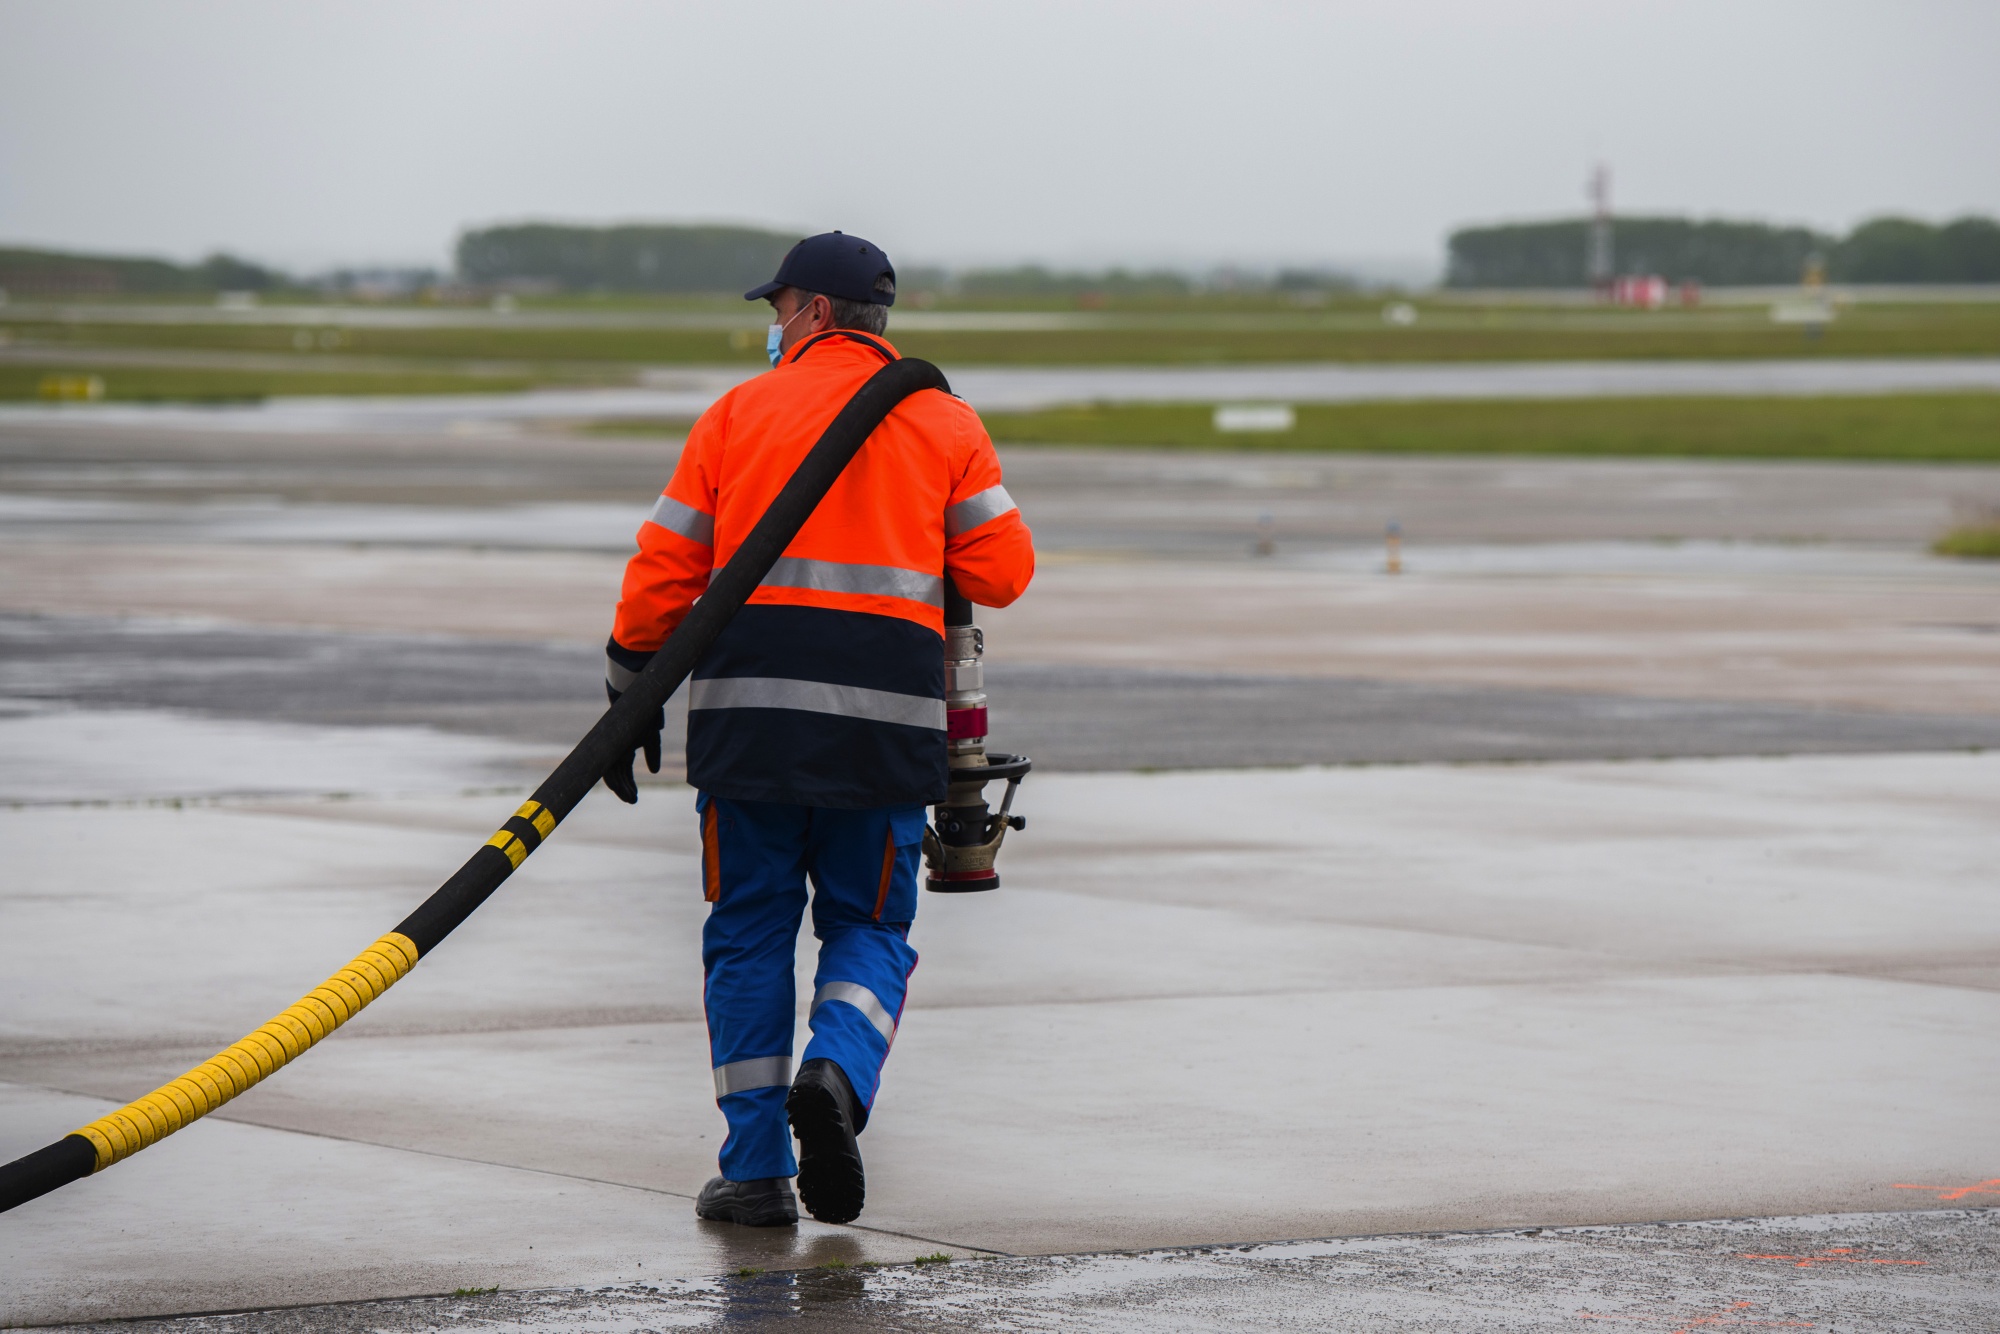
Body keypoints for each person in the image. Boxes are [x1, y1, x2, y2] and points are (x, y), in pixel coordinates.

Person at [601, 232, 1035, 1227]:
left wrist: (628, 685)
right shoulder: (941, 420)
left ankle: (753, 1169)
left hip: (747, 730)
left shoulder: (735, 414)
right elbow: (1004, 573)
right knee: (870, 925)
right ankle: (834, 1076)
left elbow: (663, 573)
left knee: (746, 931)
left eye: (779, 306)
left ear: (817, 311)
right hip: (879, 736)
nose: (772, 323)